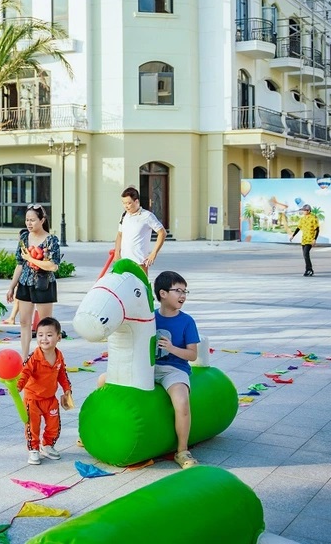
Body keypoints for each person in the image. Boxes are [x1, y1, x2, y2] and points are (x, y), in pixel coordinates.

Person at [152, 270, 201, 469]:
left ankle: (182, 451)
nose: (183, 295)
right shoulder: (149, 317)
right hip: (148, 367)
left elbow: (192, 355)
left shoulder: (187, 321)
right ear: (163, 293)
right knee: (104, 380)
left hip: (174, 369)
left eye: (185, 291)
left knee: (181, 402)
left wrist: (172, 349)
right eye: (178, 290)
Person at [6, 205, 61, 361]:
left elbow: (53, 266)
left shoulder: (51, 240)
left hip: (43, 284)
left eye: (32, 220)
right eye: (27, 220)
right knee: (24, 322)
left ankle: (45, 357)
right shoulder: (24, 238)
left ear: (42, 220)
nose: (29, 223)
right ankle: (24, 357)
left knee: (45, 326)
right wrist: (12, 286)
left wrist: (30, 259)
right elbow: (19, 264)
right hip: (25, 283)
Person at [17, 317, 74, 465]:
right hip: (33, 399)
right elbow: (24, 373)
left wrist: (67, 389)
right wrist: (18, 386)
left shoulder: (59, 355)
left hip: (50, 398)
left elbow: (62, 374)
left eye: (49, 335)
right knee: (32, 426)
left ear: (59, 337)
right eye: (40, 335)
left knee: (54, 425)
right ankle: (33, 449)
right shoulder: (33, 358)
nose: (44, 339)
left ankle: (47, 445)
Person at [113, 187, 166, 276]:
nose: (126, 206)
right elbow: (120, 234)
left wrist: (153, 253)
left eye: (129, 203)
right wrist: (116, 253)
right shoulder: (124, 215)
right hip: (124, 261)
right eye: (124, 203)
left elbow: (162, 233)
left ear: (137, 201)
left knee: (140, 288)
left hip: (140, 262)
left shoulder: (147, 216)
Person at [289, 204, 320, 276]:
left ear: (308, 210)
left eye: (304, 210)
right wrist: (293, 235)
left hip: (310, 239)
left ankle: (309, 270)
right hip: (304, 239)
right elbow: (298, 228)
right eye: (302, 210)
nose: (303, 211)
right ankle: (309, 270)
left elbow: (317, 229)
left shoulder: (313, 218)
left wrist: (315, 239)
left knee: (306, 253)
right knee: (305, 255)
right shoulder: (302, 219)